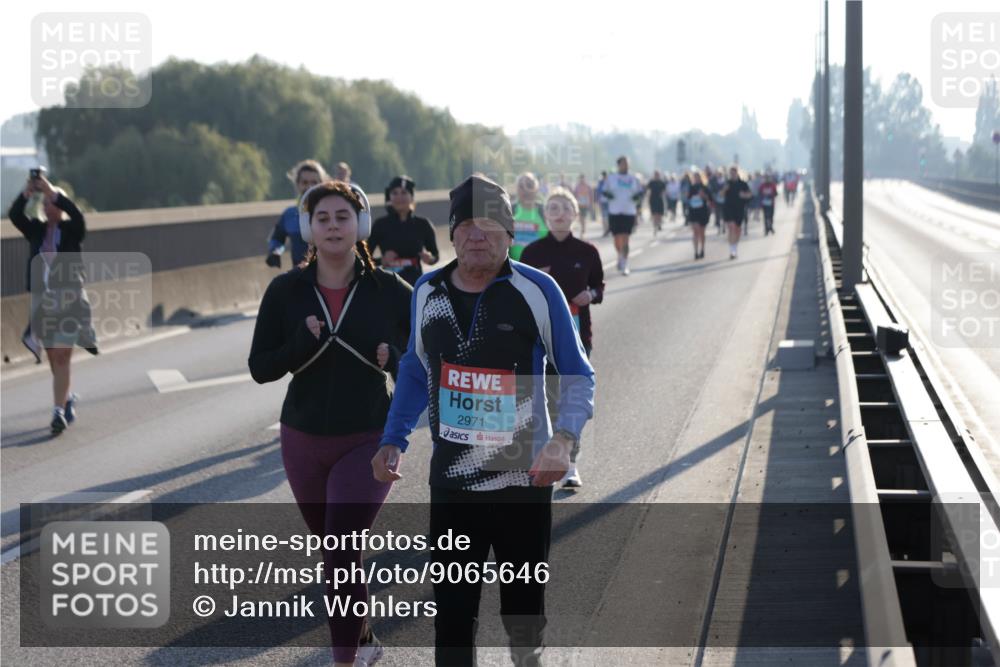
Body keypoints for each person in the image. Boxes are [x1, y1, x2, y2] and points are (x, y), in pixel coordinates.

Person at [371, 175, 595, 666]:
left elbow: (578, 374)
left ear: (510, 232)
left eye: (491, 223)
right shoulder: (427, 290)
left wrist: (564, 441)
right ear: (451, 234)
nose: (478, 233)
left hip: (524, 479)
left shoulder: (538, 289)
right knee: (451, 622)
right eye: (467, 223)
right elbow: (414, 366)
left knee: (523, 618)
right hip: (452, 484)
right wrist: (394, 437)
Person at [248, 180, 412, 667]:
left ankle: (345, 660)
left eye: (343, 216)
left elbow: (424, 366)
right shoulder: (285, 292)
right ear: (308, 228)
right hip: (301, 439)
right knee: (337, 555)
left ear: (360, 225)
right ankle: (362, 639)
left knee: (341, 548)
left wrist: (395, 359)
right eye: (323, 218)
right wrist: (299, 342)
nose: (333, 226)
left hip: (368, 437)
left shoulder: (391, 291)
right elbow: (261, 368)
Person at [520, 186, 604, 488]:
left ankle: (570, 463)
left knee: (571, 399)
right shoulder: (532, 253)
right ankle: (540, 457)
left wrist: (590, 294)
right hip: (540, 338)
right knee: (547, 399)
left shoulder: (588, 252)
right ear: (545, 215)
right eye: (553, 208)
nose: (559, 214)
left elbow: (600, 288)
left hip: (579, 336)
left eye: (565, 208)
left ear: (575, 214)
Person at [9, 172, 98, 435]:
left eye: (53, 203)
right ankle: (65, 398)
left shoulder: (72, 230)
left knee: (62, 356)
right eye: (45, 203)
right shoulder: (35, 229)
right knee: (53, 356)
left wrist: (51, 191)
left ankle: (57, 411)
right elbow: (15, 216)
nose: (49, 207)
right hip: (43, 301)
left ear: (60, 206)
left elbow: (79, 216)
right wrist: (28, 192)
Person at [368, 175, 440, 286]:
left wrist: (430, 258)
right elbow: (365, 257)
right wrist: (381, 261)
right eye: (395, 193)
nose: (399, 197)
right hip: (388, 283)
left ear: (411, 197)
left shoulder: (423, 224)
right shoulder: (380, 225)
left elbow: (435, 255)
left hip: (414, 283)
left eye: (404, 192)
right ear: (389, 197)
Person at [266, 160, 327, 268]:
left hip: (330, 277)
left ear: (322, 184)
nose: (309, 187)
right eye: (305, 182)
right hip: (300, 277)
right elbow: (277, 237)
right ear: (297, 185)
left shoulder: (332, 213)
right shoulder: (290, 214)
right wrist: (275, 251)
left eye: (314, 183)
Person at [601, 156, 644, 275]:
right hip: (614, 211)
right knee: (616, 239)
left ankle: (625, 263)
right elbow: (603, 191)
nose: (626, 165)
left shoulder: (633, 178)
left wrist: (637, 198)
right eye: (623, 163)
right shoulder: (611, 178)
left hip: (629, 212)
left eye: (627, 163)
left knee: (626, 238)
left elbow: (640, 193)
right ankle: (619, 254)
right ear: (618, 165)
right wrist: (609, 196)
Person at [509, 172, 549, 261]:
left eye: (529, 185)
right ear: (516, 189)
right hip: (514, 268)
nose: (526, 190)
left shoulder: (545, 211)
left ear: (537, 189)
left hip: (539, 269)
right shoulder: (509, 210)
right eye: (521, 186)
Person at [721, 165, 753, 259]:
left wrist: (744, 195)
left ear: (737, 173)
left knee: (738, 229)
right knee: (731, 227)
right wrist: (724, 189)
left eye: (734, 172)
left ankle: (735, 247)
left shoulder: (742, 183)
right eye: (731, 173)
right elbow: (721, 194)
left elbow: (750, 195)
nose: (732, 174)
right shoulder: (727, 183)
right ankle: (732, 250)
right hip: (728, 208)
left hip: (739, 208)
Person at [686, 171, 713, 260]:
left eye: (698, 177)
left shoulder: (705, 187)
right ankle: (696, 251)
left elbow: (710, 199)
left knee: (702, 232)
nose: (697, 178)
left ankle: (702, 249)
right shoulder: (691, 187)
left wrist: (703, 196)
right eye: (695, 177)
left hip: (702, 211)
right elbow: (687, 198)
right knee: (695, 231)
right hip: (693, 211)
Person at [573, 173, 594, 238]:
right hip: (579, 204)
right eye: (581, 178)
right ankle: (582, 228)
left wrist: (591, 203)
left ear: (584, 178)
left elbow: (591, 195)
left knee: (584, 217)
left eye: (583, 178)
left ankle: (583, 228)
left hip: (585, 204)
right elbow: (574, 195)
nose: (582, 179)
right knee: (581, 217)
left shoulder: (588, 186)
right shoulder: (577, 186)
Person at [596, 170, 610, 236]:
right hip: (603, 201)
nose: (604, 177)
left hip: (609, 202)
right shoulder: (601, 182)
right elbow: (598, 192)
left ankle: (607, 230)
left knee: (607, 217)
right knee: (604, 217)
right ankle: (605, 230)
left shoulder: (610, 182)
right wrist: (598, 200)